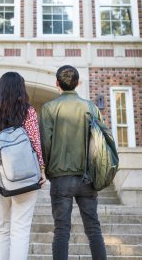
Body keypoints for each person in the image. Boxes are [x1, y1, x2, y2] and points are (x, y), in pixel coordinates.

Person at [39, 65, 107, 260]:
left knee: (61, 231)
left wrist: (45, 170)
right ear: (77, 83)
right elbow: (100, 142)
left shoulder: (49, 108)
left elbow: (46, 144)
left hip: (60, 178)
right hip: (87, 177)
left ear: (57, 83)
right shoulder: (91, 107)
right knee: (94, 229)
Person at [0, 71, 46, 260]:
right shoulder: (29, 111)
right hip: (26, 177)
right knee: (21, 229)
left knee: (1, 230)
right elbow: (35, 143)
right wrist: (41, 170)